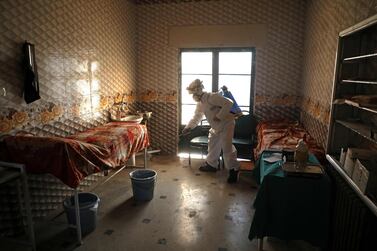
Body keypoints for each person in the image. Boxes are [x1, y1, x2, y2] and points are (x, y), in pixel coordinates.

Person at [182, 79, 240, 183]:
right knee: (212, 144)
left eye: (193, 94)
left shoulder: (212, 97)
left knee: (227, 148)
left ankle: (234, 170)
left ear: (198, 91)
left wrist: (219, 116)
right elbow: (197, 117)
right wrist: (188, 127)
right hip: (216, 127)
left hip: (227, 125)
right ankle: (211, 165)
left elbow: (229, 103)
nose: (193, 97)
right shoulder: (200, 103)